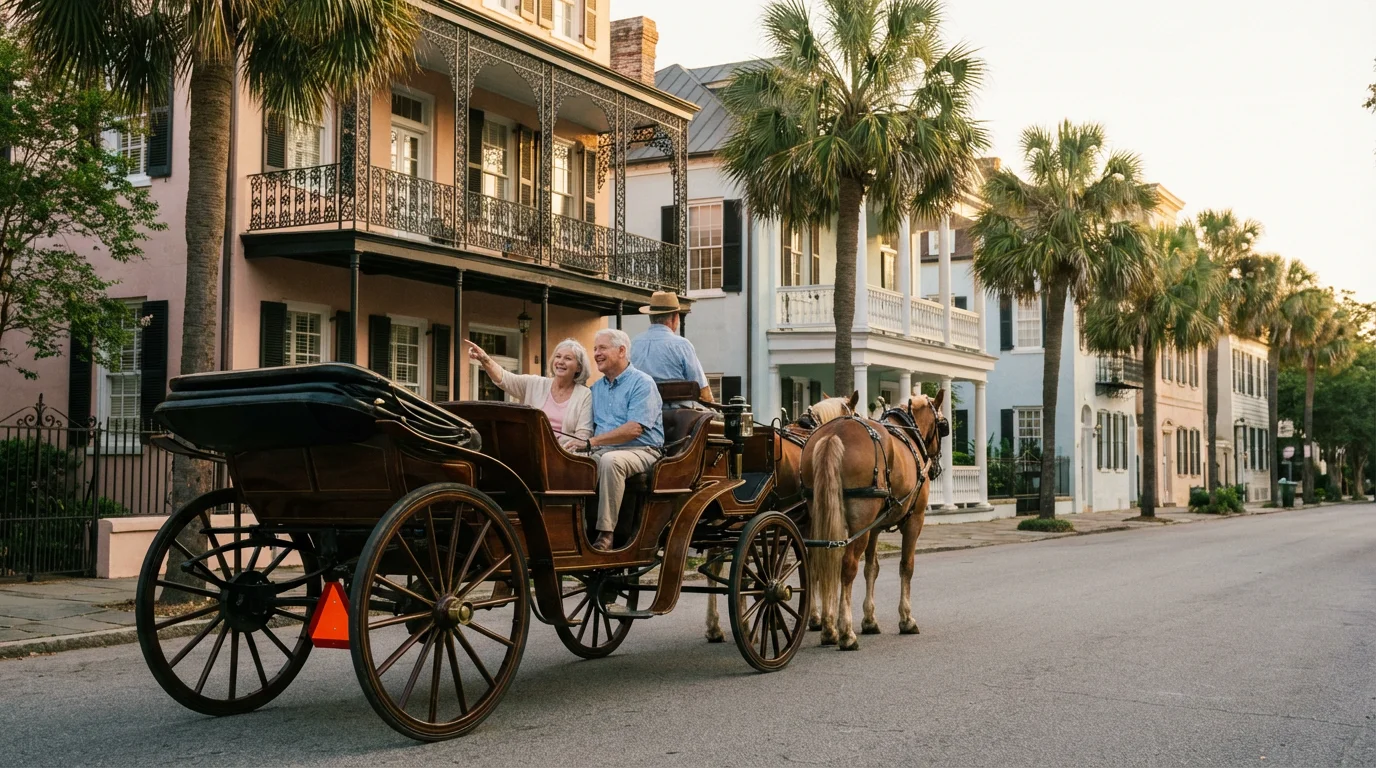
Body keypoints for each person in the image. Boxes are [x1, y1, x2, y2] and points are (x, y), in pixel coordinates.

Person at [578, 328, 663, 552]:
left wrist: (592, 443)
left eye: (602, 348)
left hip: (642, 449)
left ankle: (606, 533)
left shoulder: (642, 383)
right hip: (603, 449)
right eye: (595, 349)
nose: (596, 353)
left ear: (622, 350)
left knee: (611, 462)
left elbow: (634, 429)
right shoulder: (595, 388)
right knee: (574, 463)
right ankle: (575, 529)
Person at [465, 337, 594, 451]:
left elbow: (583, 435)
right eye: (558, 356)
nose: (560, 361)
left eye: (568, 358)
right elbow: (504, 379)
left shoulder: (584, 394)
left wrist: (563, 449)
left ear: (578, 368)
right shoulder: (534, 383)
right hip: (530, 450)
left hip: (563, 456)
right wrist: (485, 359)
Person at [630, 291, 713, 405]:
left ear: (650, 317)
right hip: (678, 413)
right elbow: (702, 390)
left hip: (642, 410)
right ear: (675, 318)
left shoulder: (634, 343)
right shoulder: (682, 345)